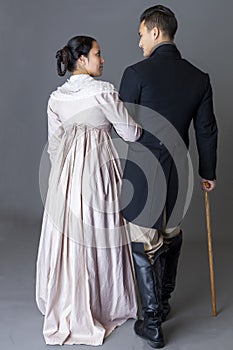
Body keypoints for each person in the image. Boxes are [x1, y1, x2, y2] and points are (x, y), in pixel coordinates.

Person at [119, 5, 218, 349]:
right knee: (170, 233)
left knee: (143, 240)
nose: (140, 41)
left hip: (144, 171)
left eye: (141, 34)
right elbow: (206, 131)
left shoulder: (135, 73)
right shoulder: (199, 77)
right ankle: (163, 302)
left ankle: (152, 323)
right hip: (181, 172)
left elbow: (124, 128)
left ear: (155, 32)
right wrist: (209, 173)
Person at [36, 35, 142, 346]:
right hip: (98, 173)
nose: (102, 59)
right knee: (100, 233)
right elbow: (130, 133)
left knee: (68, 236)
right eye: (98, 53)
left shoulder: (56, 98)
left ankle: (67, 298)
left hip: (64, 178)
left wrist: (67, 175)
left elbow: (54, 146)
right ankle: (104, 301)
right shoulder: (104, 92)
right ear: (82, 59)